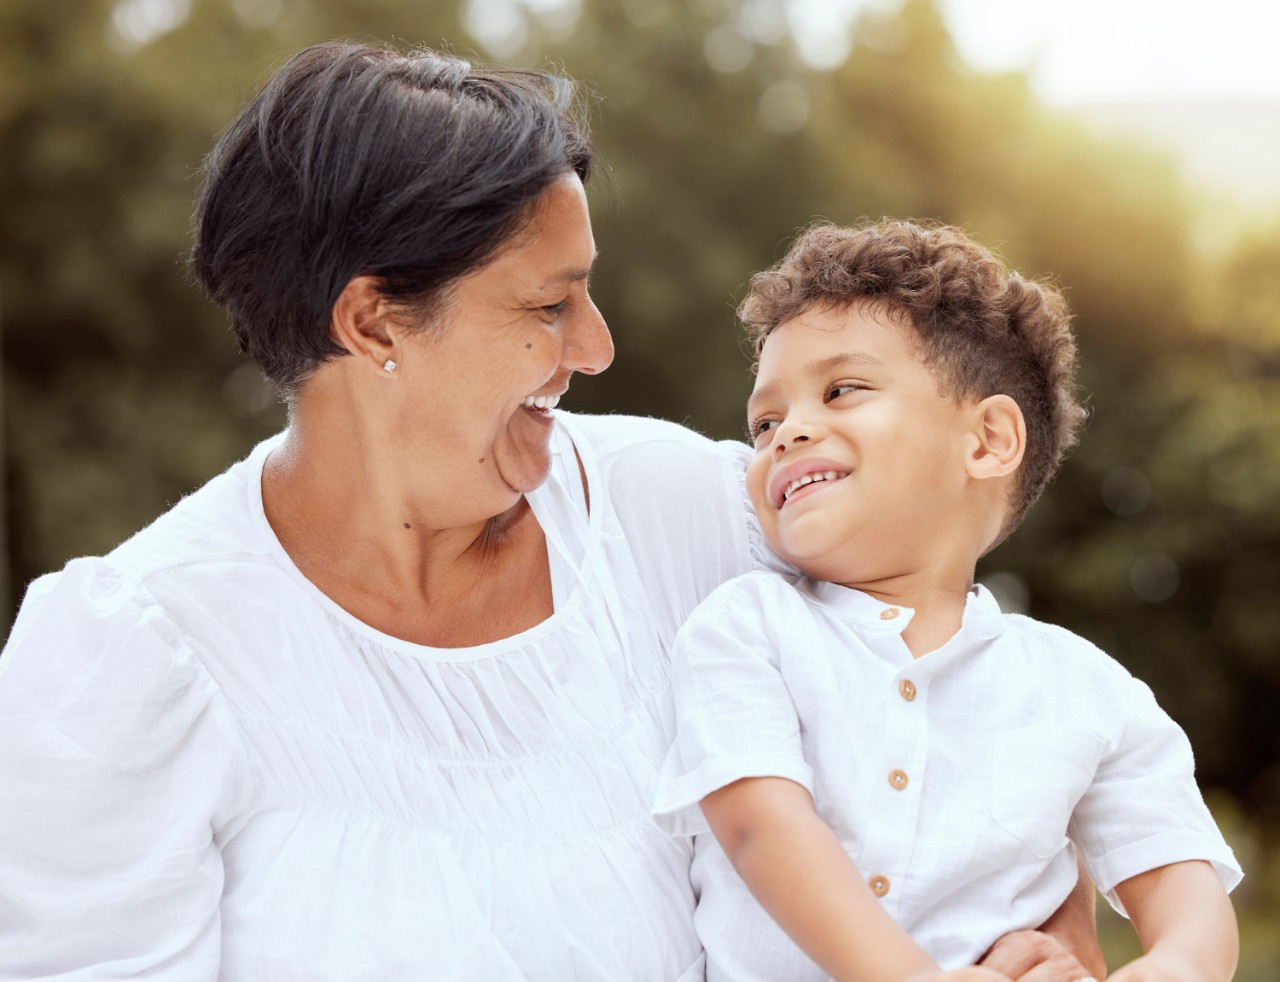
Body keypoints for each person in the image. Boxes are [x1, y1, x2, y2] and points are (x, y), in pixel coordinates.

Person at [0, 43, 1102, 980]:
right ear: (374, 322)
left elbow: (983, 707)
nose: (595, 347)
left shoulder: (687, 517)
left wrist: (1047, 939)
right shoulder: (129, 663)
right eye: (546, 304)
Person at [652, 220, 1244, 982]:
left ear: (989, 439)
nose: (787, 433)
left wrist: (1172, 970)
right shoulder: (746, 628)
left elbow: (1179, 881)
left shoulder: (1086, 691)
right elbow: (759, 829)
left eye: (842, 390)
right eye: (764, 421)